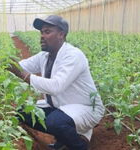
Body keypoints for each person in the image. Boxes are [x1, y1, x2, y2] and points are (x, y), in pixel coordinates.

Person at [7, 15, 105, 150]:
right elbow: (20, 66)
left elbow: (56, 86)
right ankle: (64, 138)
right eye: (41, 32)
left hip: (86, 108)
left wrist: (23, 75)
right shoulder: (45, 56)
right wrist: (5, 63)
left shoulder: (73, 55)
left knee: (55, 122)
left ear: (61, 34)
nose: (42, 36)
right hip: (61, 106)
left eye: (47, 32)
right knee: (22, 112)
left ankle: (79, 145)